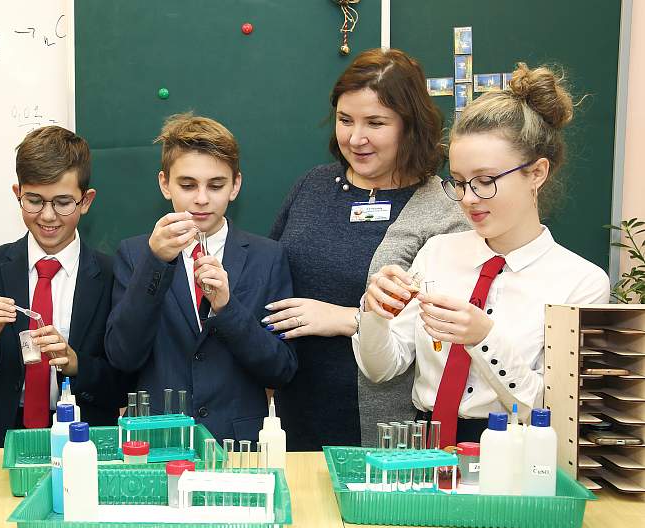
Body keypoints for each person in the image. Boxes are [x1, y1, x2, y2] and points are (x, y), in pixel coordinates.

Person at [354, 63, 610, 447]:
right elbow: (382, 369)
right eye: (459, 182)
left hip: (515, 449)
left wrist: (484, 338)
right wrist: (374, 315)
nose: (469, 199)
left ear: (536, 173)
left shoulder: (580, 283)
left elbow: (553, 410)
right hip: (426, 446)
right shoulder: (437, 253)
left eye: (486, 181)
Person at [267, 48, 469, 449]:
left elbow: (445, 333)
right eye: (345, 120)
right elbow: (269, 278)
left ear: (410, 126)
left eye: (375, 123)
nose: (355, 138)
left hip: (385, 424)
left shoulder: (446, 210)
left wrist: (348, 319)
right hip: (294, 410)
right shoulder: (313, 186)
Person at [106, 113, 297, 443]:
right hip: (159, 440)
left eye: (216, 185)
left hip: (238, 445)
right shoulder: (135, 255)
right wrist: (155, 263)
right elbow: (123, 355)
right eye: (187, 185)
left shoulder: (268, 256)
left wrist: (227, 308)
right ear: (164, 184)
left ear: (235, 185)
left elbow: (281, 369)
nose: (202, 199)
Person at [0, 126, 122, 447]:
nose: (48, 216)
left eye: (63, 202)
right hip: (0, 439)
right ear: (18, 193)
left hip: (84, 439)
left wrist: (75, 363)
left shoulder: (113, 274)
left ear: (86, 201)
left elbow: (123, 385)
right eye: (34, 201)